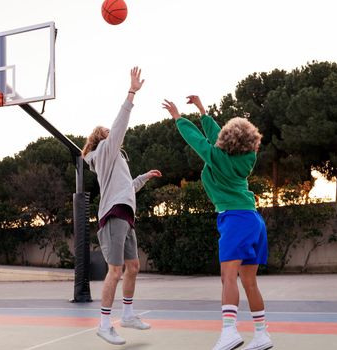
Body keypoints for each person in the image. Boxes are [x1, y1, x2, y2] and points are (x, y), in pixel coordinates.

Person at [162, 95, 272, 350]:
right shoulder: (246, 159)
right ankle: (262, 334)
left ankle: (229, 331)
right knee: (249, 281)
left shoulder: (217, 158)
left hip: (235, 219)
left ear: (227, 141)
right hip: (252, 219)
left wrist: (179, 119)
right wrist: (202, 110)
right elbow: (214, 136)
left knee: (228, 277)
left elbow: (199, 141)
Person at [82, 67, 162, 346]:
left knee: (134, 266)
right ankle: (104, 324)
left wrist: (144, 177)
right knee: (115, 271)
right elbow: (119, 126)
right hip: (113, 215)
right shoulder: (103, 152)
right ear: (101, 137)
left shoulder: (116, 160)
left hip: (125, 214)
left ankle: (127, 314)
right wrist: (131, 93)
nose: (111, 131)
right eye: (107, 131)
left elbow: (126, 187)